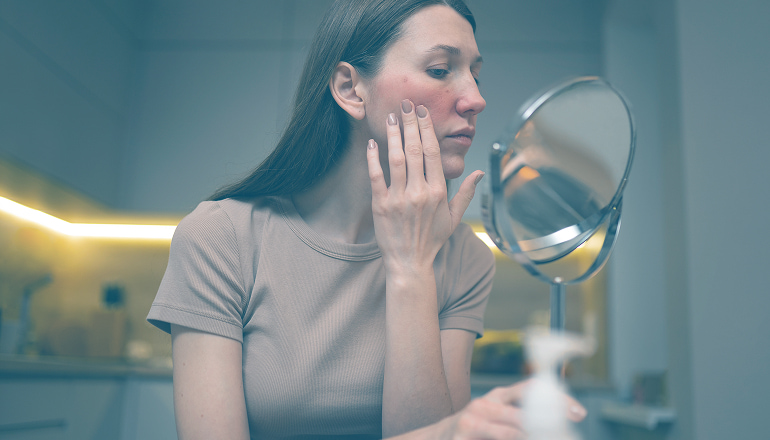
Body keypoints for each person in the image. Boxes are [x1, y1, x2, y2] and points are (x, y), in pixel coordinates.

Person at [147, 0, 587, 438]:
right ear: (351, 89)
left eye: (475, 73)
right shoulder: (221, 238)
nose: (476, 99)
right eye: (440, 69)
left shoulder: (464, 258)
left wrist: (412, 270)